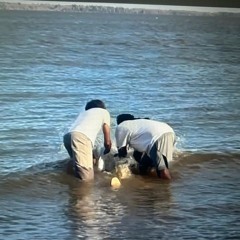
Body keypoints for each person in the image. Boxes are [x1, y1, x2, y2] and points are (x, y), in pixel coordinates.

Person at [115, 114, 175, 180]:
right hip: (169, 131)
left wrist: (120, 166)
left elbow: (122, 151)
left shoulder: (121, 126)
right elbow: (138, 153)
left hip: (157, 137)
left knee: (161, 169)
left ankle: (168, 187)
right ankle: (148, 183)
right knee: (143, 165)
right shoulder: (137, 126)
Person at [63, 99, 112, 181]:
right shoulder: (104, 112)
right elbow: (107, 141)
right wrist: (108, 149)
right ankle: (83, 192)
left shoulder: (84, 113)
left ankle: (69, 185)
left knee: (78, 167)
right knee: (87, 177)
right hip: (80, 137)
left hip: (68, 136)